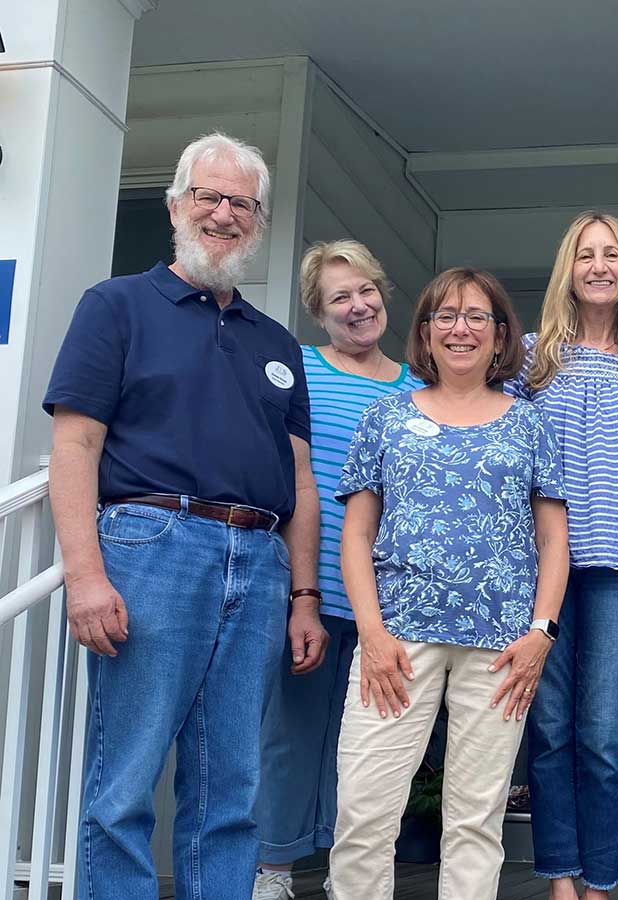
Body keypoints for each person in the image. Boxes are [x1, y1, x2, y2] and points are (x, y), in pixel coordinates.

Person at [43, 132, 328, 900]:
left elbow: (299, 477)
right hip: (149, 548)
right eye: (209, 196)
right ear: (177, 206)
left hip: (260, 564)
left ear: (259, 223)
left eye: (241, 203)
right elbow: (74, 445)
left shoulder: (278, 345)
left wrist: (305, 595)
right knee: (127, 782)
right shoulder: (116, 305)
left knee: (231, 790)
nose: (224, 213)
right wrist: (85, 575)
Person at [328, 267, 570, 900]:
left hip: (501, 648)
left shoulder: (529, 424)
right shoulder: (383, 419)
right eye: (445, 316)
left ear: (498, 337)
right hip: (395, 645)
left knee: (475, 822)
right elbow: (354, 537)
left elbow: (553, 542)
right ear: (426, 333)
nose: (460, 329)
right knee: (363, 813)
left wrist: (542, 632)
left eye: (476, 318)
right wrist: (371, 634)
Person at [507, 211, 618, 899]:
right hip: (539, 569)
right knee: (549, 728)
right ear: (568, 270)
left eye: (612, 254)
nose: (599, 266)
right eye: (586, 255)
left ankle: (602, 882)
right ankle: (559, 878)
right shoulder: (532, 355)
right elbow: (506, 451)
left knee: (603, 735)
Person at [253, 240, 423, 900]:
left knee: (371, 744)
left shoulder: (418, 388)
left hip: (390, 600)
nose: (358, 307)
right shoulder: (296, 369)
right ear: (318, 314)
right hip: (310, 581)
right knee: (291, 734)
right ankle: (273, 869)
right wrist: (301, 591)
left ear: (384, 293)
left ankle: (347, 874)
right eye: (339, 298)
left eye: (366, 291)